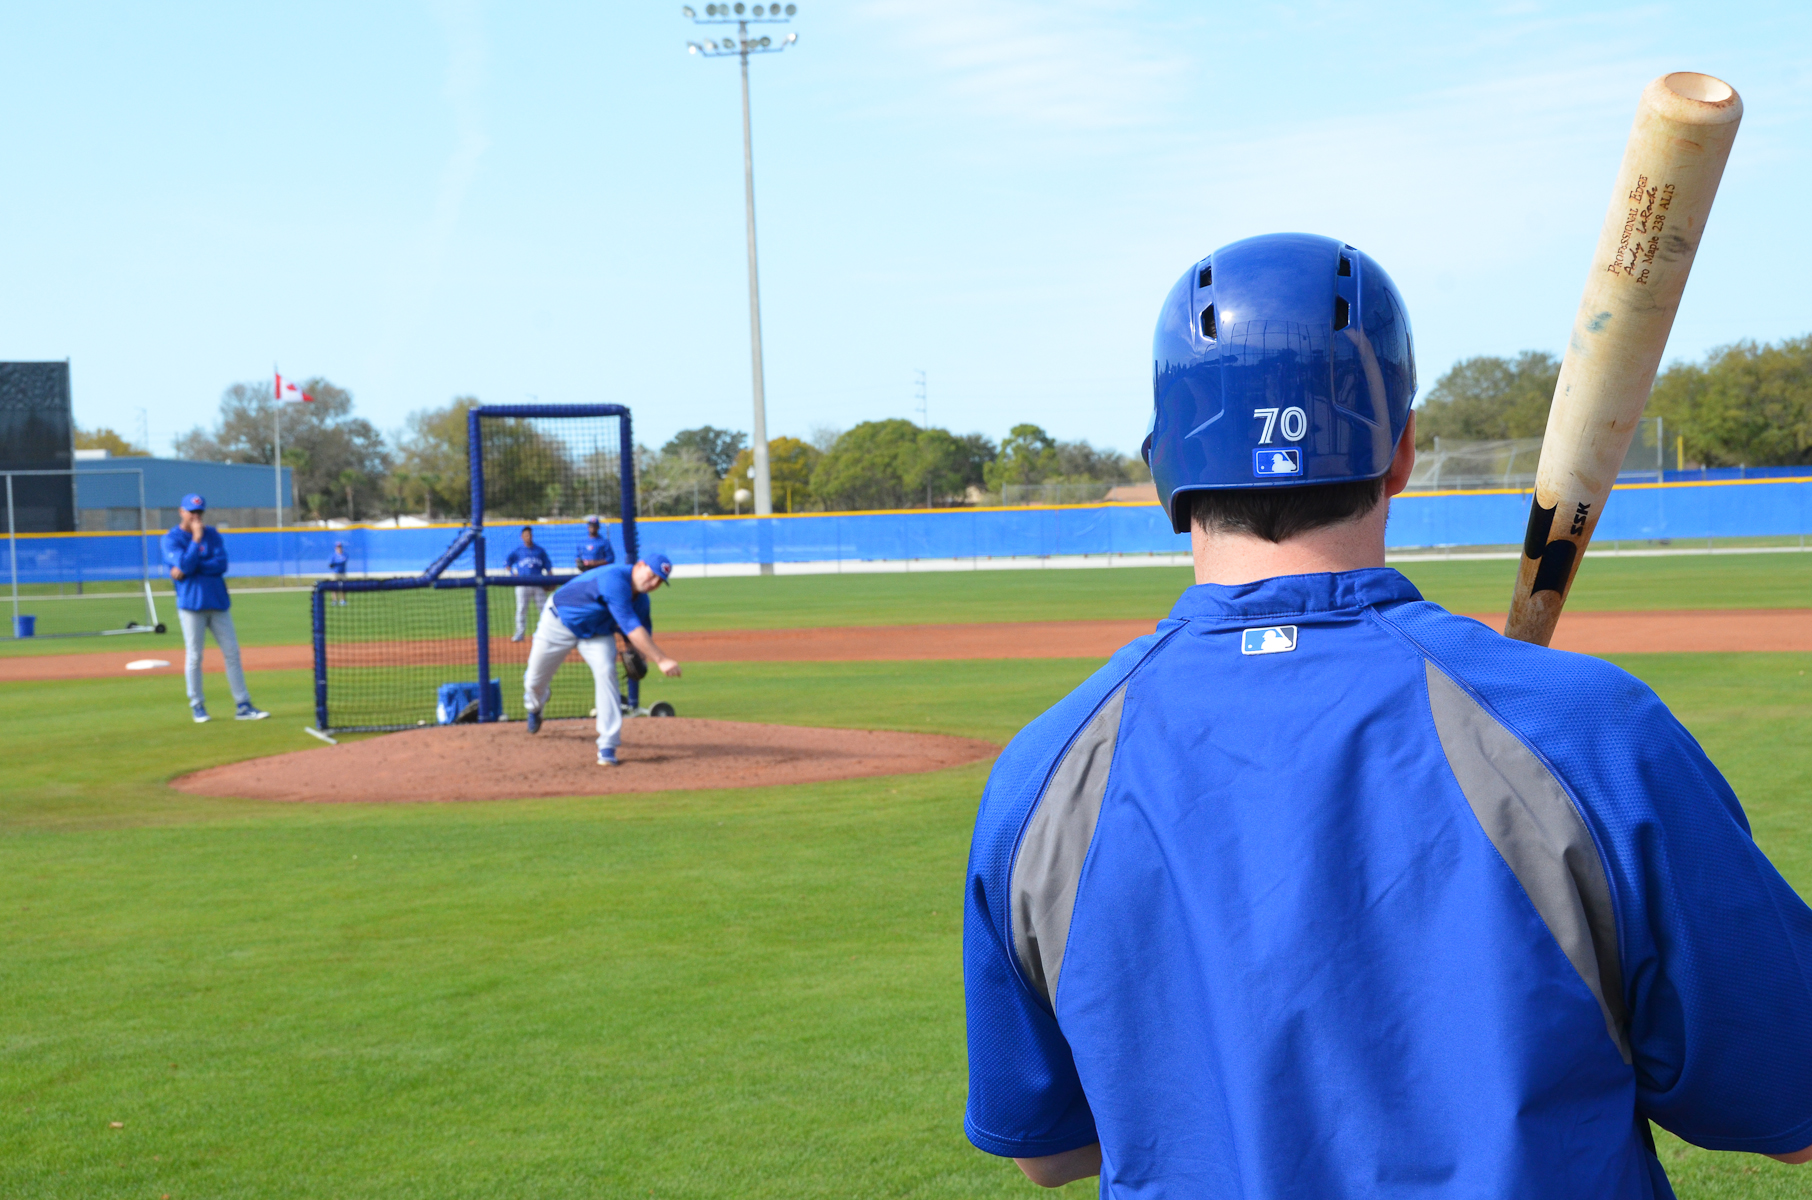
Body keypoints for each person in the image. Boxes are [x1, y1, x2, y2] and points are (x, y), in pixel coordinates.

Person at [962, 233, 1812, 1197]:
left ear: (1164, 464)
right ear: (1400, 449)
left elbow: (1049, 1150)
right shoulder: (1588, 734)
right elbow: (1785, 1104)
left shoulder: (1041, 777)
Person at [521, 553, 681, 766]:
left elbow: (639, 637)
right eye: (652, 576)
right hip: (559, 623)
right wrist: (661, 660)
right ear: (640, 565)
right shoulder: (615, 579)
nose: (653, 583)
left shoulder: (642, 602)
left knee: (607, 672)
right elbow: (631, 627)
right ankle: (534, 707)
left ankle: (608, 745)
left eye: (659, 581)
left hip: (597, 634)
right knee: (534, 680)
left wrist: (638, 655)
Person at [161, 493, 268, 724]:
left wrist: (190, 567)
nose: (196, 516)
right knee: (195, 656)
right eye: (191, 512)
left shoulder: (213, 534)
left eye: (199, 512)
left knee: (232, 653)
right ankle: (197, 705)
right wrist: (196, 541)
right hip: (191, 605)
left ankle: (243, 705)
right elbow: (185, 564)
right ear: (182, 512)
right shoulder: (171, 538)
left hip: (218, 603)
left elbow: (221, 564)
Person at [505, 525, 553, 642]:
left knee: (543, 609)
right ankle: (520, 634)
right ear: (522, 537)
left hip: (538, 583)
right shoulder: (518, 551)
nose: (528, 537)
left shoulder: (540, 551)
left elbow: (548, 567)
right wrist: (512, 573)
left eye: (530, 535)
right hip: (522, 583)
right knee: (521, 608)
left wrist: (551, 580)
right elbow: (507, 564)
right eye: (526, 535)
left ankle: (546, 633)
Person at [327, 541, 349, 605]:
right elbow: (330, 564)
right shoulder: (333, 555)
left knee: (343, 587)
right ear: (335, 548)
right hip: (335, 573)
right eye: (338, 547)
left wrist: (335, 563)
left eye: (340, 547)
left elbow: (342, 561)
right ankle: (334, 600)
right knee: (334, 587)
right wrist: (333, 564)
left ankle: (343, 600)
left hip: (342, 573)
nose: (339, 548)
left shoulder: (345, 554)